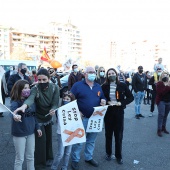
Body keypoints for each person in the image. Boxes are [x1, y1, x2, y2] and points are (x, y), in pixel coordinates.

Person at [13, 68, 60, 170]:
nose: (41, 82)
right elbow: (31, 98)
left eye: (44, 80)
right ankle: (39, 166)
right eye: (39, 80)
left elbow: (55, 102)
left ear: (49, 78)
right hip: (38, 119)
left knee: (48, 140)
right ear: (37, 79)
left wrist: (53, 109)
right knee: (40, 143)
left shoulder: (55, 88)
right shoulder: (35, 88)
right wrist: (24, 106)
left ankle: (49, 158)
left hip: (48, 117)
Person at [70, 66, 106, 170]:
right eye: (90, 72)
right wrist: (77, 112)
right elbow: (70, 99)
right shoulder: (77, 85)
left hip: (95, 118)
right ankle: (75, 160)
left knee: (91, 140)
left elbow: (102, 97)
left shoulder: (98, 86)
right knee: (78, 141)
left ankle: (88, 157)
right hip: (82, 118)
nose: (92, 74)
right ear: (85, 74)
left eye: (94, 72)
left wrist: (103, 100)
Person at [102, 68, 134, 164]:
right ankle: (108, 153)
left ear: (116, 74)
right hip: (108, 112)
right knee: (108, 134)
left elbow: (131, 97)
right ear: (107, 76)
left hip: (119, 112)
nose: (111, 75)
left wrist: (121, 103)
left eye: (113, 73)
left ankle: (118, 156)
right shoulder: (104, 86)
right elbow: (101, 97)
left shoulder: (122, 85)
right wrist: (106, 101)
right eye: (109, 73)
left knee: (118, 135)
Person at [10, 80, 42, 170]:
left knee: (31, 157)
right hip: (19, 134)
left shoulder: (31, 102)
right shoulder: (15, 102)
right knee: (19, 159)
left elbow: (34, 116)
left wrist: (38, 127)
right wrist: (15, 116)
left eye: (28, 88)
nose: (27, 90)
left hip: (31, 133)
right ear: (19, 89)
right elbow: (13, 112)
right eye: (25, 88)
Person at [51, 91, 75, 170]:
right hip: (61, 133)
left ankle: (64, 167)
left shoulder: (74, 109)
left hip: (71, 133)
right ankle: (54, 167)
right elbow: (59, 121)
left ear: (71, 100)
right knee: (60, 153)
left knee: (68, 152)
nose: (65, 100)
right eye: (64, 99)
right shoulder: (59, 109)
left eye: (68, 99)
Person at [156, 71, 170, 137]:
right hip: (161, 101)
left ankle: (163, 127)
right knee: (161, 114)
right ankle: (159, 129)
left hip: (168, 101)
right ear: (161, 76)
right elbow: (161, 92)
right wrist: (167, 85)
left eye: (167, 75)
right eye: (164, 74)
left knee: (165, 115)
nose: (166, 76)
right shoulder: (159, 83)